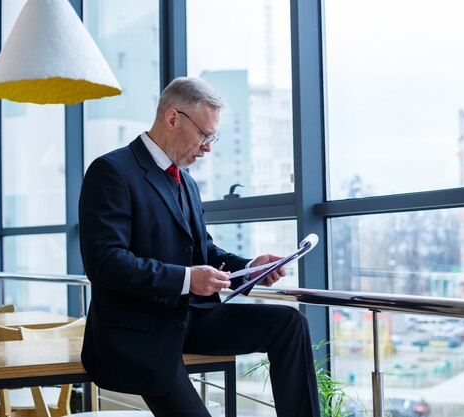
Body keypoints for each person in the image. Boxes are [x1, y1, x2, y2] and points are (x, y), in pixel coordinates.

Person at [79, 76, 320, 417]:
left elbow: (203, 252)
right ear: (173, 118)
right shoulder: (111, 171)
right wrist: (187, 279)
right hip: (139, 333)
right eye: (205, 135)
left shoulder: (186, 181)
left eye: (213, 138)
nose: (208, 147)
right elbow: (105, 262)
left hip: (191, 319)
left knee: (290, 324)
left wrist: (252, 267)